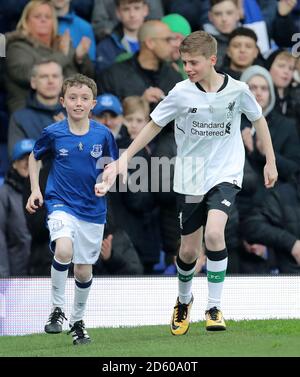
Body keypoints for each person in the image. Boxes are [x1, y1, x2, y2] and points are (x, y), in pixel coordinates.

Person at [98, 31, 278, 334]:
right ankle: (184, 301)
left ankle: (214, 307)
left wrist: (270, 161)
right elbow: (154, 124)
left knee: (216, 235)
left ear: (212, 60)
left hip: (224, 173)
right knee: (188, 252)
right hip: (191, 175)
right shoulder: (181, 92)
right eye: (184, 62)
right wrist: (125, 158)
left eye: (193, 62)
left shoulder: (238, 90)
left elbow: (258, 119)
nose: (188, 68)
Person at [26, 74, 118, 345]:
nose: (79, 103)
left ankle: (78, 322)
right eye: (73, 98)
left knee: (82, 271)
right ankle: (56, 310)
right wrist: (35, 189)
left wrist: (105, 183)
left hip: (92, 209)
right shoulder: (53, 132)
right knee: (63, 249)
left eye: (85, 98)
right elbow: (34, 156)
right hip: (60, 203)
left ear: (93, 103)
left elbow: (111, 167)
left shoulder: (103, 134)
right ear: (63, 101)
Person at [0, 139, 34, 277]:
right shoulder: (4, 193)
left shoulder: (47, 191)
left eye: (31, 158)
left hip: (44, 272)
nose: (27, 162)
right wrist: (3, 275)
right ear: (14, 163)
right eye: (22, 158)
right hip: (15, 275)